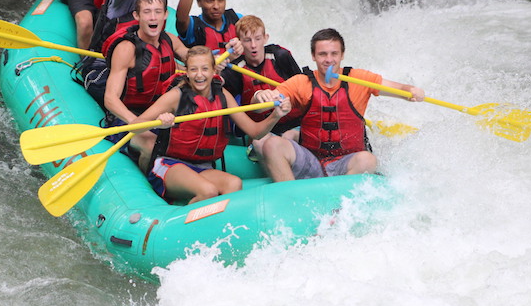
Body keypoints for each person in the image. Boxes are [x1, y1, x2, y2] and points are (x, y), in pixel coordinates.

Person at [252, 28, 425, 182]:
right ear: (313, 56)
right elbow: (261, 106)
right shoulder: (301, 82)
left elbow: (399, 89)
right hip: (312, 160)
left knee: (368, 160)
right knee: (272, 144)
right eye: (322, 54)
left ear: (342, 55)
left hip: (347, 164)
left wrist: (412, 90)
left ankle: (337, 207)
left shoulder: (359, 79)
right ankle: (291, 197)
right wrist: (260, 96)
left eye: (334, 54)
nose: (329, 60)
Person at [130, 46, 291, 204]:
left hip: (203, 167)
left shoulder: (223, 96)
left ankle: (222, 227)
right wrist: (160, 123)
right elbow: (135, 126)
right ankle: (185, 226)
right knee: (208, 191)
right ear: (186, 72)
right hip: (169, 164)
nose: (199, 75)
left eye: (205, 69)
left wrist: (276, 115)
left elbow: (254, 131)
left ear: (214, 71)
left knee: (234, 184)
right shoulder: (175, 96)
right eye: (193, 70)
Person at [103, 0, 190, 170]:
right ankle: (148, 186)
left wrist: (226, 54)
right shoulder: (127, 49)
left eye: (158, 12)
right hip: (129, 117)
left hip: (160, 114)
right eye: (147, 12)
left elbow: (195, 58)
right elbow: (110, 98)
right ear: (137, 16)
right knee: (151, 142)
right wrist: (135, 122)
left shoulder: (169, 40)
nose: (153, 17)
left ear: (166, 15)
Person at [222, 15, 302, 138]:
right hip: (262, 130)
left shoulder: (280, 56)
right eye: (247, 40)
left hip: (293, 123)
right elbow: (213, 87)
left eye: (258, 39)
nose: (253, 45)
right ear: (239, 42)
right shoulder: (235, 68)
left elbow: (302, 85)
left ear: (265, 38)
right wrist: (222, 63)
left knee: (289, 136)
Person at [175, 0, 242, 50]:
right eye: (209, 1)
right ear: (199, 2)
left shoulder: (237, 19)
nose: (216, 6)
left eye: (221, 0)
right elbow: (181, 18)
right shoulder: (193, 27)